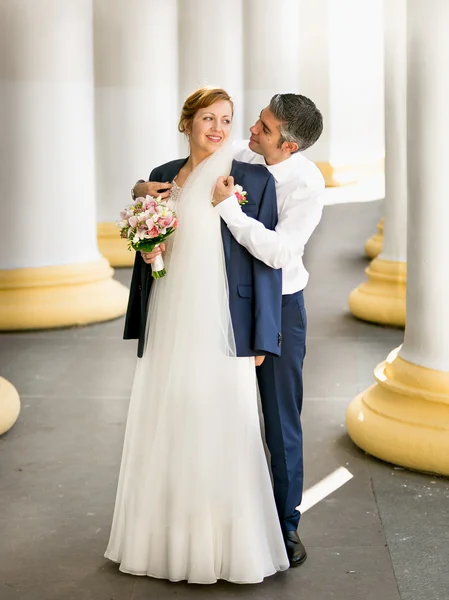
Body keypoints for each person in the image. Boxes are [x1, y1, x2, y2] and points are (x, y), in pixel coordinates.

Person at [105, 87, 289, 584]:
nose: (218, 128)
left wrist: (261, 340)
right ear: (186, 123)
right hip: (169, 318)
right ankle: (167, 540)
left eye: (226, 119)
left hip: (227, 330)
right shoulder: (163, 176)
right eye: (207, 118)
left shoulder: (250, 178)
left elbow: (264, 270)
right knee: (171, 418)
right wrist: (150, 252)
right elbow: (157, 236)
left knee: (224, 424)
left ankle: (224, 546)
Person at [136, 93, 325, 567]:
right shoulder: (243, 153)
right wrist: (144, 187)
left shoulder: (305, 183)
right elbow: (188, 167)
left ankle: (284, 526)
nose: (249, 132)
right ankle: (215, 520)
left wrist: (230, 210)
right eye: (256, 122)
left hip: (280, 306)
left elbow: (280, 255)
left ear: (289, 147)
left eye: (263, 129)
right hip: (225, 302)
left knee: (280, 422)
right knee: (220, 409)